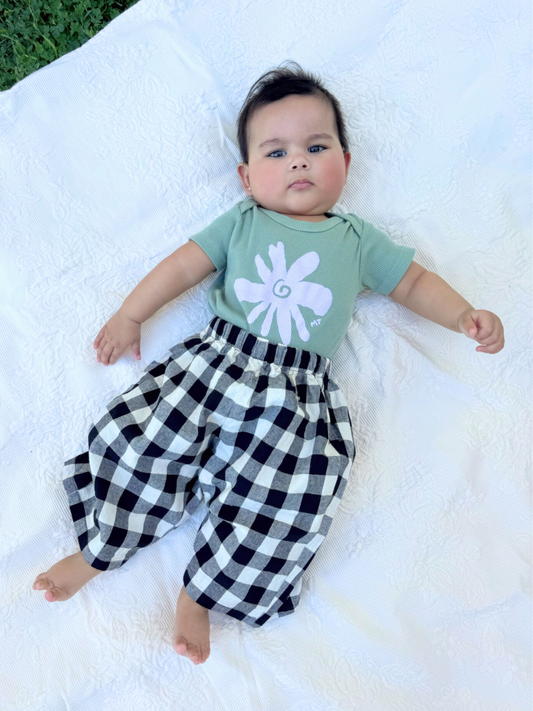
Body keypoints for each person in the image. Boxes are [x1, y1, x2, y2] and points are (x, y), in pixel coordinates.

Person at [32, 61, 505, 666]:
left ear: (346, 162)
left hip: (296, 402)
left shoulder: (359, 241)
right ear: (247, 176)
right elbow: (183, 266)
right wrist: (131, 314)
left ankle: (200, 595)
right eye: (277, 152)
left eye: (316, 146)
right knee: (142, 446)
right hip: (213, 370)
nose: (299, 161)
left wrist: (464, 314)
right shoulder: (244, 221)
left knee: (285, 501)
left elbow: (413, 283)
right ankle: (98, 550)